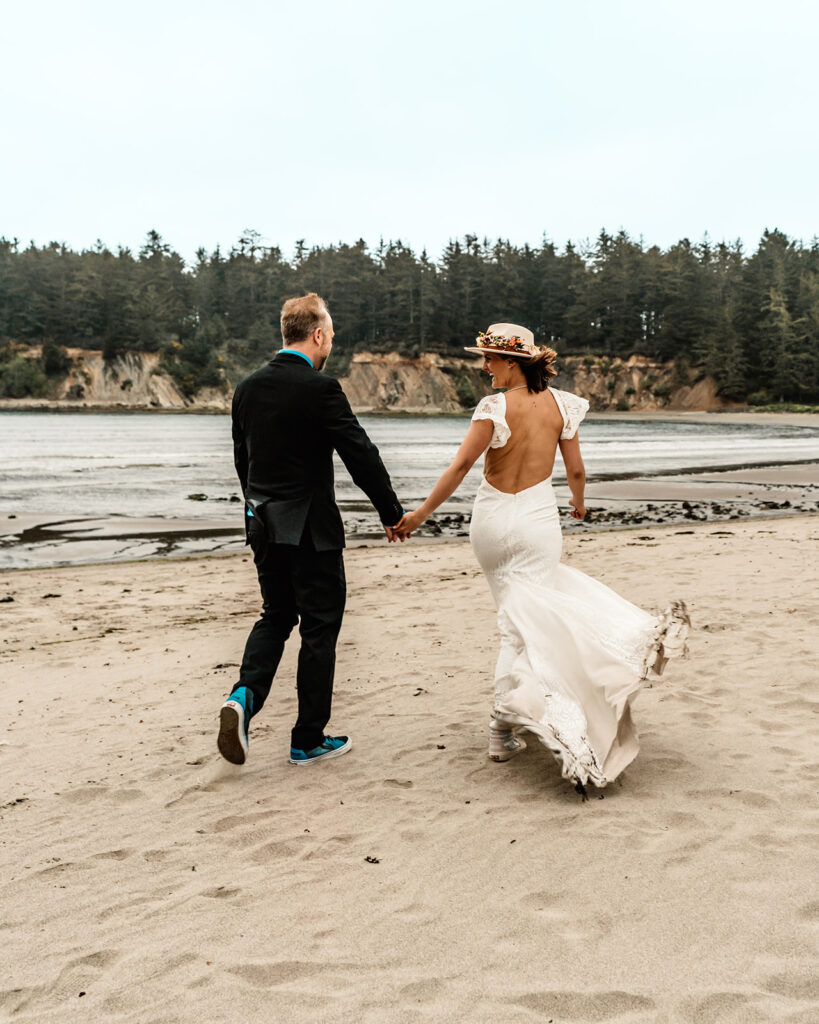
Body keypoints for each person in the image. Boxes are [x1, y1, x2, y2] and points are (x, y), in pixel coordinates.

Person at [397, 323, 689, 791]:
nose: (484, 366)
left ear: (513, 363)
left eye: (490, 358)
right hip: (536, 522)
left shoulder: (494, 407)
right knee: (521, 622)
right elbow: (575, 468)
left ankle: (504, 724)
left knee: (512, 619)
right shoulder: (563, 406)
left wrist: (420, 515)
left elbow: (460, 466)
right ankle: (503, 724)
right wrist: (578, 501)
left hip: (492, 522)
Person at [218, 293, 406, 768]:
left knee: (276, 615)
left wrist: (254, 508)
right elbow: (359, 452)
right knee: (320, 627)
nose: (331, 345)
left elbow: (244, 461)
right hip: (311, 530)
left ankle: (244, 696)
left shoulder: (247, 388)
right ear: (317, 335)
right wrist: (390, 511)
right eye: (331, 336)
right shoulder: (320, 388)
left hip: (261, 521)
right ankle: (307, 739)